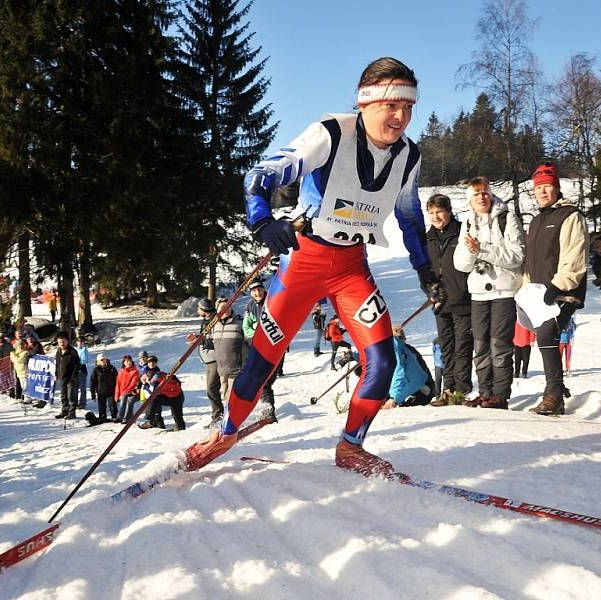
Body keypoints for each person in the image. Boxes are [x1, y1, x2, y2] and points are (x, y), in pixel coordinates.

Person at [186, 57, 443, 477]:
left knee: (382, 360)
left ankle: (351, 447)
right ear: (365, 103)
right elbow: (259, 175)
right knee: (261, 362)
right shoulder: (330, 134)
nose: (400, 117)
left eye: (408, 107)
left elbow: (410, 217)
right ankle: (226, 432)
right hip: (303, 261)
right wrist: (263, 222)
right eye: (391, 105)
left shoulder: (408, 156)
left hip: (350, 268)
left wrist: (425, 270)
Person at [523, 162, 589, 416]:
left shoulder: (570, 215)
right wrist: (527, 288)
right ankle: (556, 390)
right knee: (545, 336)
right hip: (540, 292)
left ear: (557, 187)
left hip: (562, 290)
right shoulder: (537, 220)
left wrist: (559, 285)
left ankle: (554, 393)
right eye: (538, 187)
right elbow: (532, 259)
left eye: (547, 186)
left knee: (547, 334)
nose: (542, 192)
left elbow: (574, 254)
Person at [453, 177, 524, 409]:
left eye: (485, 192)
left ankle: (500, 395)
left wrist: (482, 249)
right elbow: (461, 265)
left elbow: (516, 256)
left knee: (499, 344)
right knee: (480, 344)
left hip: (504, 290)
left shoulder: (507, 217)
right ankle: (485, 391)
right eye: (476, 194)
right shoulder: (467, 223)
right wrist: (473, 252)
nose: (482, 197)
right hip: (478, 293)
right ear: (470, 200)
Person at [426, 193, 473, 406]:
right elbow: (425, 272)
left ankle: (461, 390)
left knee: (462, 346)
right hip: (440, 302)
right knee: (446, 346)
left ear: (449, 211)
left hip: (462, 300)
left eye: (440, 212)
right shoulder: (428, 238)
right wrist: (429, 291)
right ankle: (448, 388)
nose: (436, 217)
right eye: (432, 213)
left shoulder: (462, 232)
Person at [242, 279, 278, 420]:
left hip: (275, 345)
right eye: (254, 291)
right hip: (259, 347)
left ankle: (268, 409)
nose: (257, 293)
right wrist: (257, 332)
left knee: (267, 379)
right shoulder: (250, 306)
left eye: (259, 290)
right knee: (263, 380)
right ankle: (267, 410)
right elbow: (246, 328)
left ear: (264, 290)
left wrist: (262, 330)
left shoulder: (273, 301)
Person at [382, 326, 434, 409]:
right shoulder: (405, 349)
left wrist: (394, 398)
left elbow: (399, 373)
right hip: (411, 389)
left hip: (421, 391)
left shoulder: (402, 351)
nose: (403, 340)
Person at [211, 297, 247, 412]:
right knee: (226, 397)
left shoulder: (239, 323)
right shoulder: (214, 326)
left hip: (236, 369)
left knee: (232, 398)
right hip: (222, 370)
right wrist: (196, 339)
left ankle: (233, 422)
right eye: (222, 307)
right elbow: (209, 341)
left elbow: (251, 340)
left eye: (228, 307)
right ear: (217, 310)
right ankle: (230, 420)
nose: (226, 309)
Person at [138, 355, 186, 431]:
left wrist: (145, 384)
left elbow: (152, 392)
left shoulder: (154, 380)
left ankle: (150, 421)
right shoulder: (161, 373)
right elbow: (177, 381)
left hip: (174, 396)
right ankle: (180, 427)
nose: (151, 364)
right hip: (178, 394)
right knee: (177, 414)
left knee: (154, 400)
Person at [197, 298, 223, 428]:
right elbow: (206, 337)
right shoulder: (206, 321)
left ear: (204, 309)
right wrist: (197, 339)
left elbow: (215, 338)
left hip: (214, 359)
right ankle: (217, 416)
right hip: (209, 360)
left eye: (199, 308)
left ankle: (218, 417)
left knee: (212, 389)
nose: (197, 310)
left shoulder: (214, 320)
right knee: (211, 389)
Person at [54, 331, 80, 419]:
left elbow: (77, 366)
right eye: (60, 342)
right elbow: (57, 363)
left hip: (70, 378)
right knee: (63, 396)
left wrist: (73, 377)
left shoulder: (72, 352)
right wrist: (56, 373)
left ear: (67, 341)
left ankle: (72, 412)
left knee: (71, 396)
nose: (61, 344)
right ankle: (64, 411)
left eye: (63, 342)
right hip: (61, 377)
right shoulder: (58, 351)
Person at [90, 353, 118, 423]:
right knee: (102, 407)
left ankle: (114, 416)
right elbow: (92, 382)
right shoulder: (96, 370)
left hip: (111, 391)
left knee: (112, 405)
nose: (102, 361)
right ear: (98, 361)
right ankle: (102, 417)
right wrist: (93, 394)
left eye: (103, 359)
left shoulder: (112, 368)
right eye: (101, 360)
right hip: (101, 391)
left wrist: (117, 391)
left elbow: (117, 379)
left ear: (106, 360)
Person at [115, 355, 141, 423]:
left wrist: (123, 393)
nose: (128, 363)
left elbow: (133, 384)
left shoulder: (135, 371)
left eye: (130, 361)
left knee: (125, 397)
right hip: (122, 392)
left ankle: (120, 416)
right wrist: (117, 395)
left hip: (131, 391)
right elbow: (118, 384)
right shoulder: (121, 371)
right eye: (127, 361)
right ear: (124, 362)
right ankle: (125, 417)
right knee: (123, 398)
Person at [76, 336, 90, 409]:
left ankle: (82, 403)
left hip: (82, 370)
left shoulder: (85, 350)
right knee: (74, 387)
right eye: (79, 341)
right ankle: (75, 402)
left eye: (82, 341)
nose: (80, 343)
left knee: (82, 387)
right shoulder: (75, 350)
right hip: (75, 370)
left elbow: (84, 360)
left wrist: (77, 361)